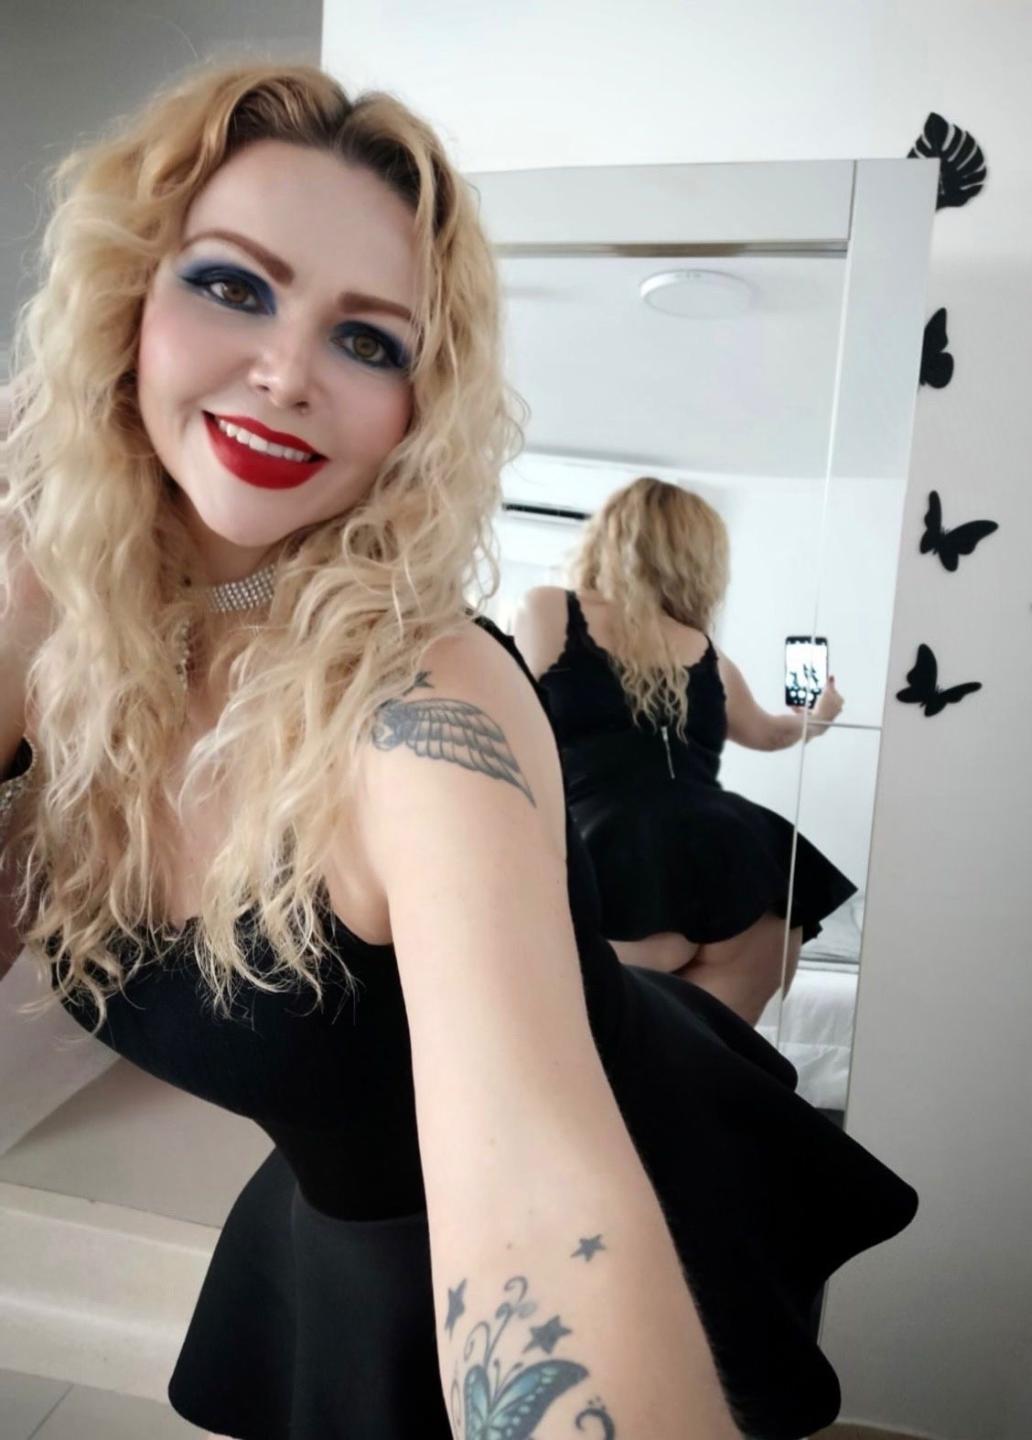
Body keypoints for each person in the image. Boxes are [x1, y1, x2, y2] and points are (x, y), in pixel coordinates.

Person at [0, 62, 916, 1440]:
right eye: (233, 285)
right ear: (120, 302)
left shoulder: (434, 689)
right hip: (365, 1174)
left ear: (417, 412)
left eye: (370, 342)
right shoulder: (68, 654)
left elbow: (539, 1201)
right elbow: (759, 730)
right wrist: (18, 636)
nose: (288, 372)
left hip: (576, 1073)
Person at [514, 477, 856, 1026]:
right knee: (707, 1058)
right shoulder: (707, 653)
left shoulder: (550, 610)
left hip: (615, 859)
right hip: (743, 863)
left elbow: (504, 722)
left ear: (610, 537)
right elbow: (771, 734)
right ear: (699, 559)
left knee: (596, 1054)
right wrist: (819, 714)